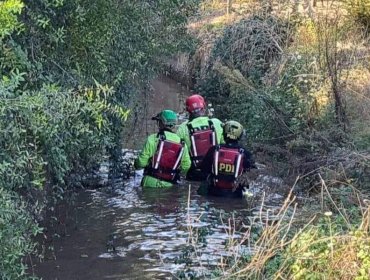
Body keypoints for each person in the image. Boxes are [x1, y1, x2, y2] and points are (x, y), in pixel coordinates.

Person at [134, 109, 191, 188]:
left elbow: (141, 163)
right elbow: (186, 166)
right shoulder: (182, 144)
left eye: (158, 122)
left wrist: (136, 164)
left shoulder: (152, 139)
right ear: (174, 124)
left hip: (149, 183)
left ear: (161, 123)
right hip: (169, 185)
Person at [199, 120, 256, 198]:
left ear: (224, 134)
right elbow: (253, 175)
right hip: (235, 195)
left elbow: (203, 170)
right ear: (240, 136)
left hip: (214, 193)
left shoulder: (214, 149)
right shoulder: (245, 153)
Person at [176, 94, 224, 181]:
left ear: (188, 110)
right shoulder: (217, 123)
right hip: (215, 171)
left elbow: (178, 153)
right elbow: (225, 145)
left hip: (194, 174)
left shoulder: (183, 128)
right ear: (203, 108)